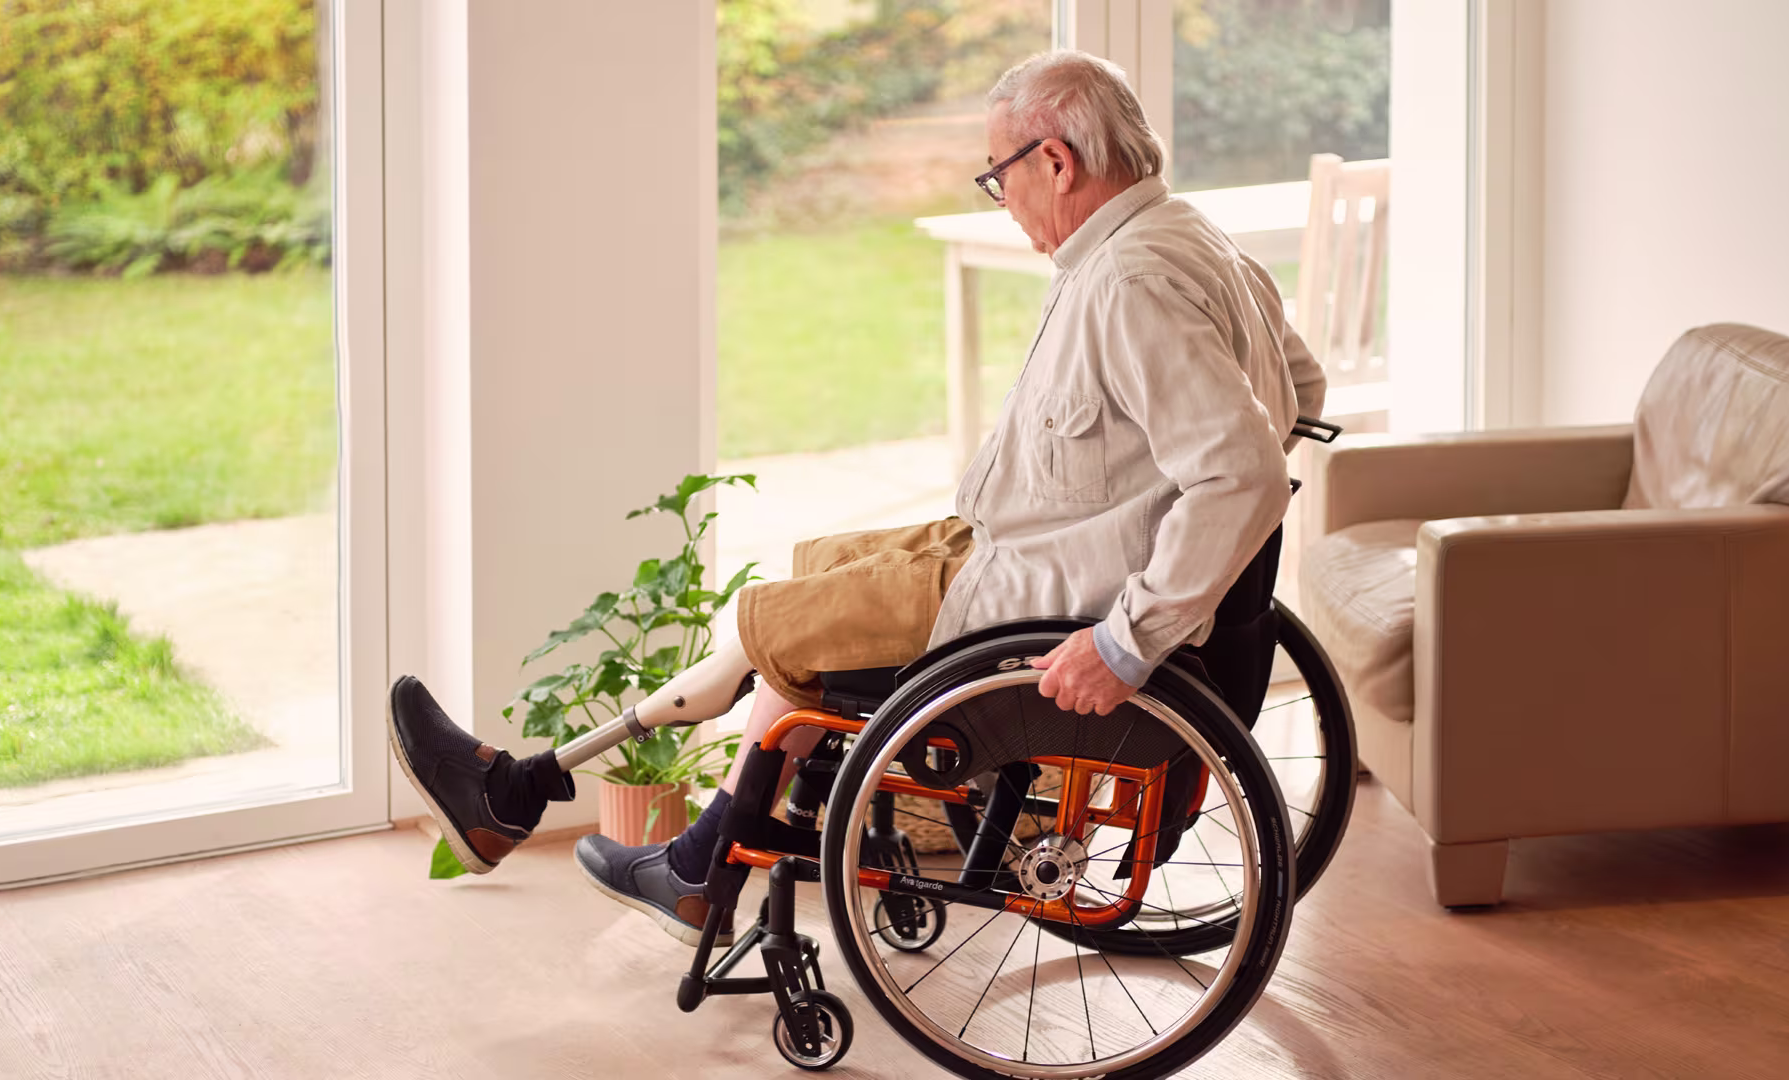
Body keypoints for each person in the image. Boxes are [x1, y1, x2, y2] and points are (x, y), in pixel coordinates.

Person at [387, 49, 1326, 947]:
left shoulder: (1129, 280)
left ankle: (568, 815)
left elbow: (1238, 473)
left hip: (1042, 604)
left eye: (999, 177)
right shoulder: (1197, 240)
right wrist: (1146, 508)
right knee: (815, 569)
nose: (1003, 203)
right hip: (1028, 552)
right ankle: (629, 834)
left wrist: (1127, 638)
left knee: (775, 622)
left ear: (1057, 159)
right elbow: (1302, 394)